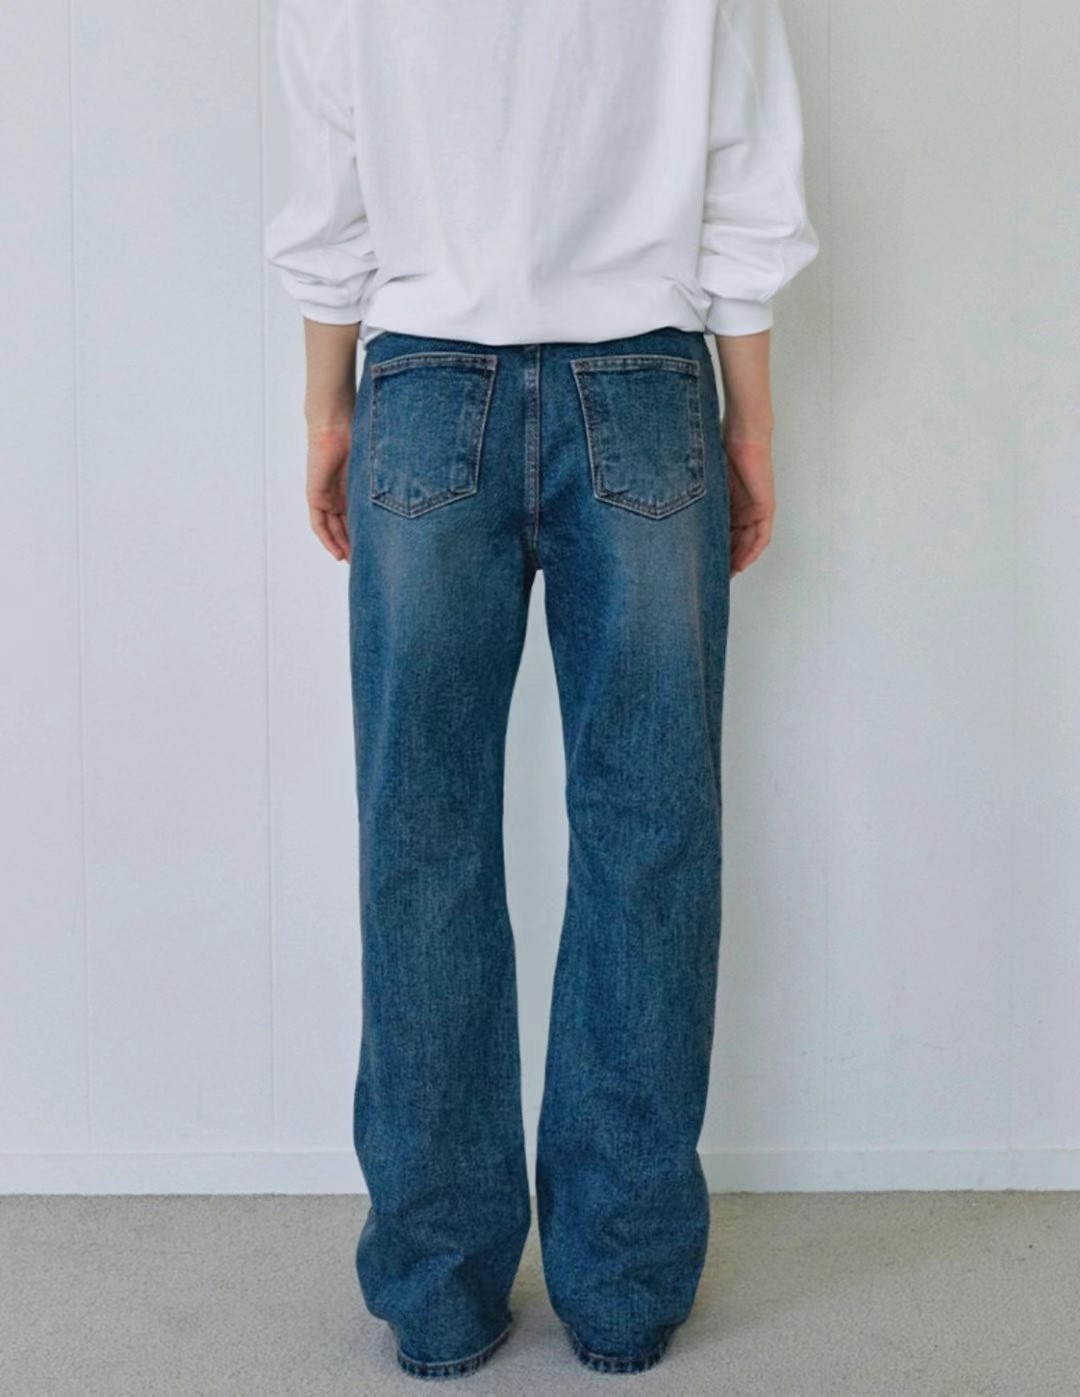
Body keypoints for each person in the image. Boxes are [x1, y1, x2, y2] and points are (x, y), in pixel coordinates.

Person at [265, 0, 818, 1379]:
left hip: (420, 383)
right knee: (651, 835)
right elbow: (744, 172)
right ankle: (622, 1288)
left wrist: (328, 410)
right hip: (645, 382)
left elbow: (331, 184)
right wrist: (752, 423)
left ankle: (440, 1293)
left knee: (421, 840)